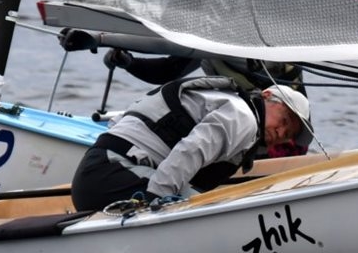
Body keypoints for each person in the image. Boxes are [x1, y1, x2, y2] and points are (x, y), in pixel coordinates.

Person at [71, 77, 311, 211]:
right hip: (113, 173)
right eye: (284, 120)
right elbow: (192, 149)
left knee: (206, 201)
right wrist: (157, 201)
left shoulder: (221, 102)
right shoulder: (242, 117)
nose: (281, 132)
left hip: (97, 175)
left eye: (288, 134)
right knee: (208, 210)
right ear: (267, 96)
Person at [102, 48, 310, 157]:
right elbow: (169, 70)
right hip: (242, 139)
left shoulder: (262, 41)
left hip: (282, 146)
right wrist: (128, 62)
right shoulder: (208, 40)